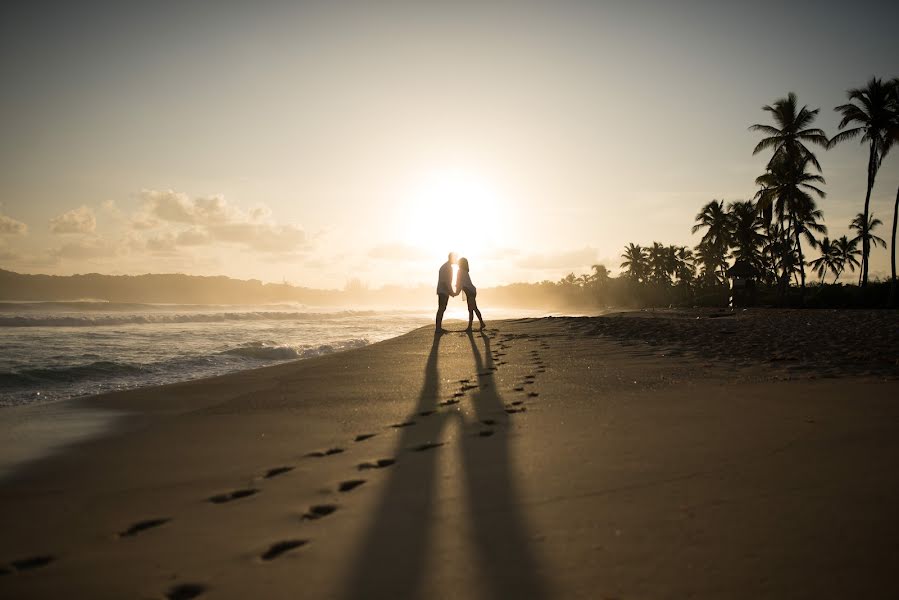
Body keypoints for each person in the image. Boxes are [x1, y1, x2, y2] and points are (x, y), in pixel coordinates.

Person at [454, 257, 486, 331]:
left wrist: (455, 293)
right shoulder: (465, 271)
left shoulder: (460, 271)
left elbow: (459, 283)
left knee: (471, 309)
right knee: (473, 308)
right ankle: (481, 323)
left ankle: (471, 326)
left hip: (470, 291)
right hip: (471, 291)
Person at [435, 252, 457, 334]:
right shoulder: (448, 267)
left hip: (442, 290)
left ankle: (438, 327)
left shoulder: (445, 266)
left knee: (441, 309)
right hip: (443, 291)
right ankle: (438, 328)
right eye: (455, 258)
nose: (456, 260)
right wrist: (452, 292)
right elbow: (447, 282)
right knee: (441, 309)